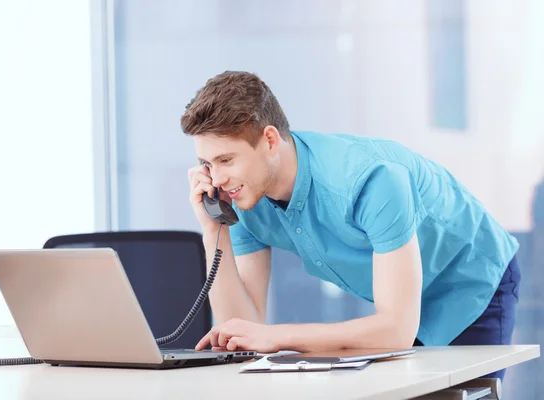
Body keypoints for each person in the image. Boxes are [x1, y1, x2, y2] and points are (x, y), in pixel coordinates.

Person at [181, 71, 521, 380]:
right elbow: (244, 330)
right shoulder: (241, 195)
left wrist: (278, 337)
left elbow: (396, 331)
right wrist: (214, 230)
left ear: (270, 141)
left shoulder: (370, 180)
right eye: (207, 163)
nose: (218, 177)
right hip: (401, 306)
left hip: (469, 277)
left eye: (226, 159)